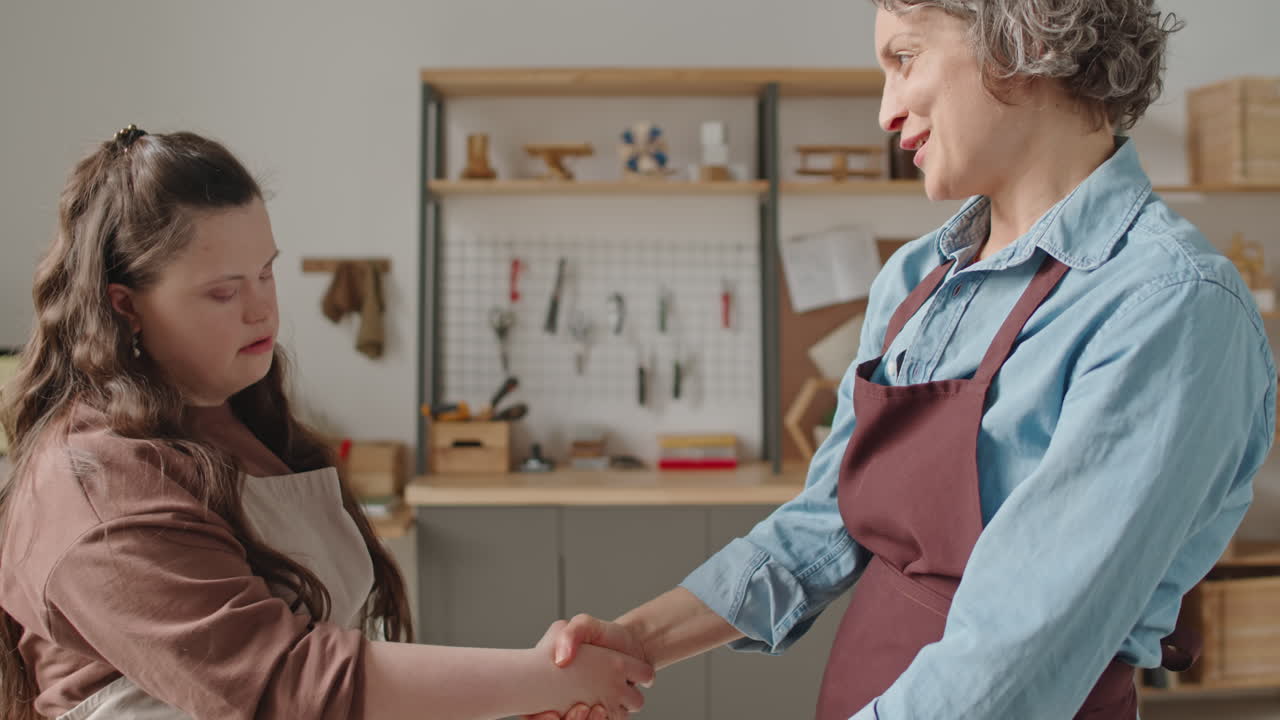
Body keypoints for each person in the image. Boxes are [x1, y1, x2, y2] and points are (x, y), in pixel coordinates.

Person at [533, 1, 1277, 719]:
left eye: (905, 58)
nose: (886, 111)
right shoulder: (916, 280)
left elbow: (1021, 654)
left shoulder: (1166, 304)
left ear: (1022, 38)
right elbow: (825, 525)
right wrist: (638, 641)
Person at [0, 127, 653, 720]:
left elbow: (334, 665)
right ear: (126, 305)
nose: (261, 311)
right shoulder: (97, 487)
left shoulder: (236, 413)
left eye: (267, 272)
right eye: (223, 292)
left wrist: (526, 690)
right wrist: (541, 681)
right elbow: (290, 682)